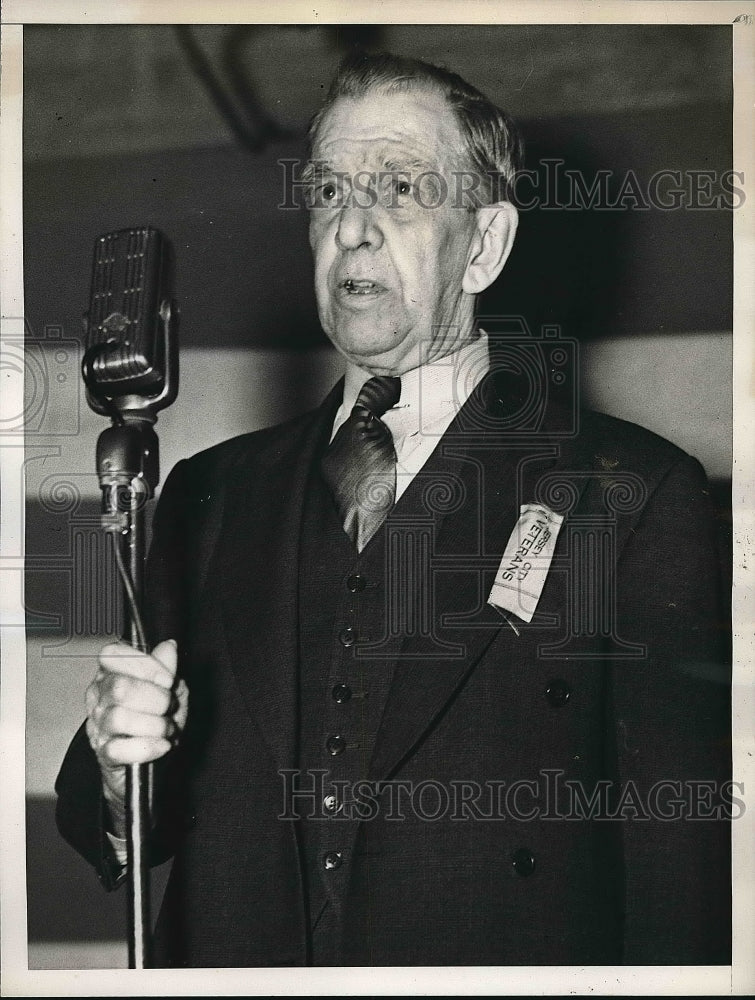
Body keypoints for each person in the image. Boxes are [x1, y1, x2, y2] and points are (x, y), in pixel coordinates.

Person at [55, 51, 731, 967]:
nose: (354, 230)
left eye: (401, 187)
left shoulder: (632, 489)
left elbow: (677, 889)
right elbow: (123, 825)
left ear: (484, 243)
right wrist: (112, 762)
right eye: (330, 191)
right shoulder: (209, 491)